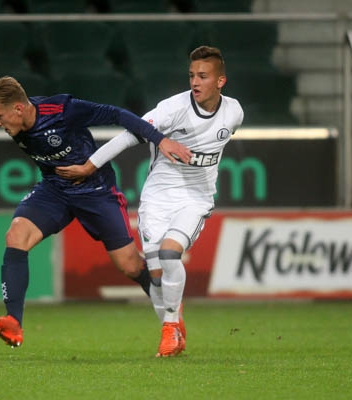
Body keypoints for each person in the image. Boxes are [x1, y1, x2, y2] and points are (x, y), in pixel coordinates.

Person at [0, 76, 192, 349]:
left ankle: (171, 317)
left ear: (18, 109)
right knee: (16, 235)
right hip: (54, 191)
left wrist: (160, 140)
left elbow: (117, 114)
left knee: (130, 265)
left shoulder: (64, 111)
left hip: (96, 192)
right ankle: (13, 322)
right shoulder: (9, 110)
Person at [56, 45, 244, 357]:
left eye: (203, 76)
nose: (195, 82)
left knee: (170, 254)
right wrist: (90, 166)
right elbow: (128, 135)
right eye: (191, 76)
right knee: (155, 274)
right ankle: (175, 327)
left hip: (195, 199)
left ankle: (169, 328)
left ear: (220, 81)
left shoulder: (234, 112)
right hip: (157, 198)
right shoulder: (172, 109)